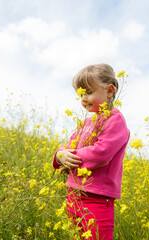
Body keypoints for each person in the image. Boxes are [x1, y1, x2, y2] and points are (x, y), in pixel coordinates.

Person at [53, 64, 130, 240]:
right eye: (80, 94)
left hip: (97, 198)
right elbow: (68, 146)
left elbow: (101, 153)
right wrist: (60, 156)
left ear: (109, 91)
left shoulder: (115, 120)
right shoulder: (87, 123)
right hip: (74, 192)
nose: (83, 99)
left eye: (88, 92)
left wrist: (72, 158)